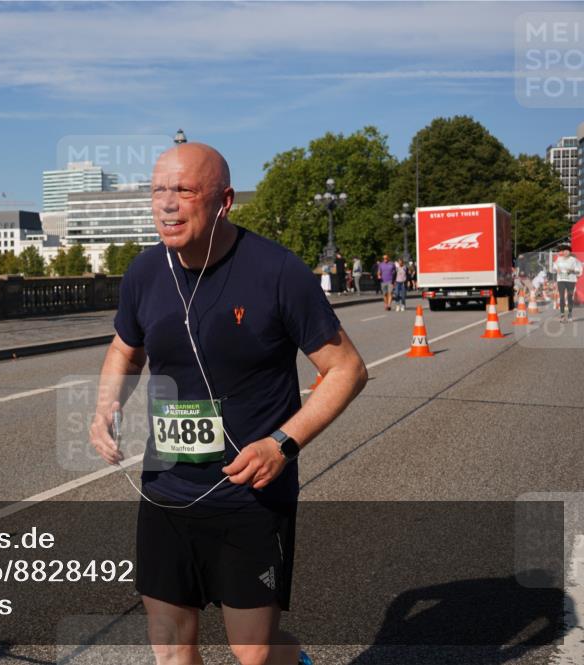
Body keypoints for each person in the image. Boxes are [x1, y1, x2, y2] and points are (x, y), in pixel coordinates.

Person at [89, 143, 367, 665]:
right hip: (166, 490)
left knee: (254, 652)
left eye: (185, 190)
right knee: (170, 649)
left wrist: (283, 444)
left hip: (250, 496)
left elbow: (347, 370)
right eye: (158, 190)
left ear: (225, 200)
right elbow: (126, 348)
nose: (167, 204)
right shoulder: (145, 272)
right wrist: (107, 406)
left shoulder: (277, 272)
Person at [553, 244, 582, 322]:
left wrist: (571, 270)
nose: (565, 252)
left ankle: (570, 313)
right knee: (561, 297)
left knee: (569, 297)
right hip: (561, 280)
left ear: (570, 252)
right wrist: (556, 270)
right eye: (564, 251)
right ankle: (562, 315)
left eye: (567, 251)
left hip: (571, 280)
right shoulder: (559, 259)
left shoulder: (574, 260)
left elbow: (579, 270)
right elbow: (554, 267)